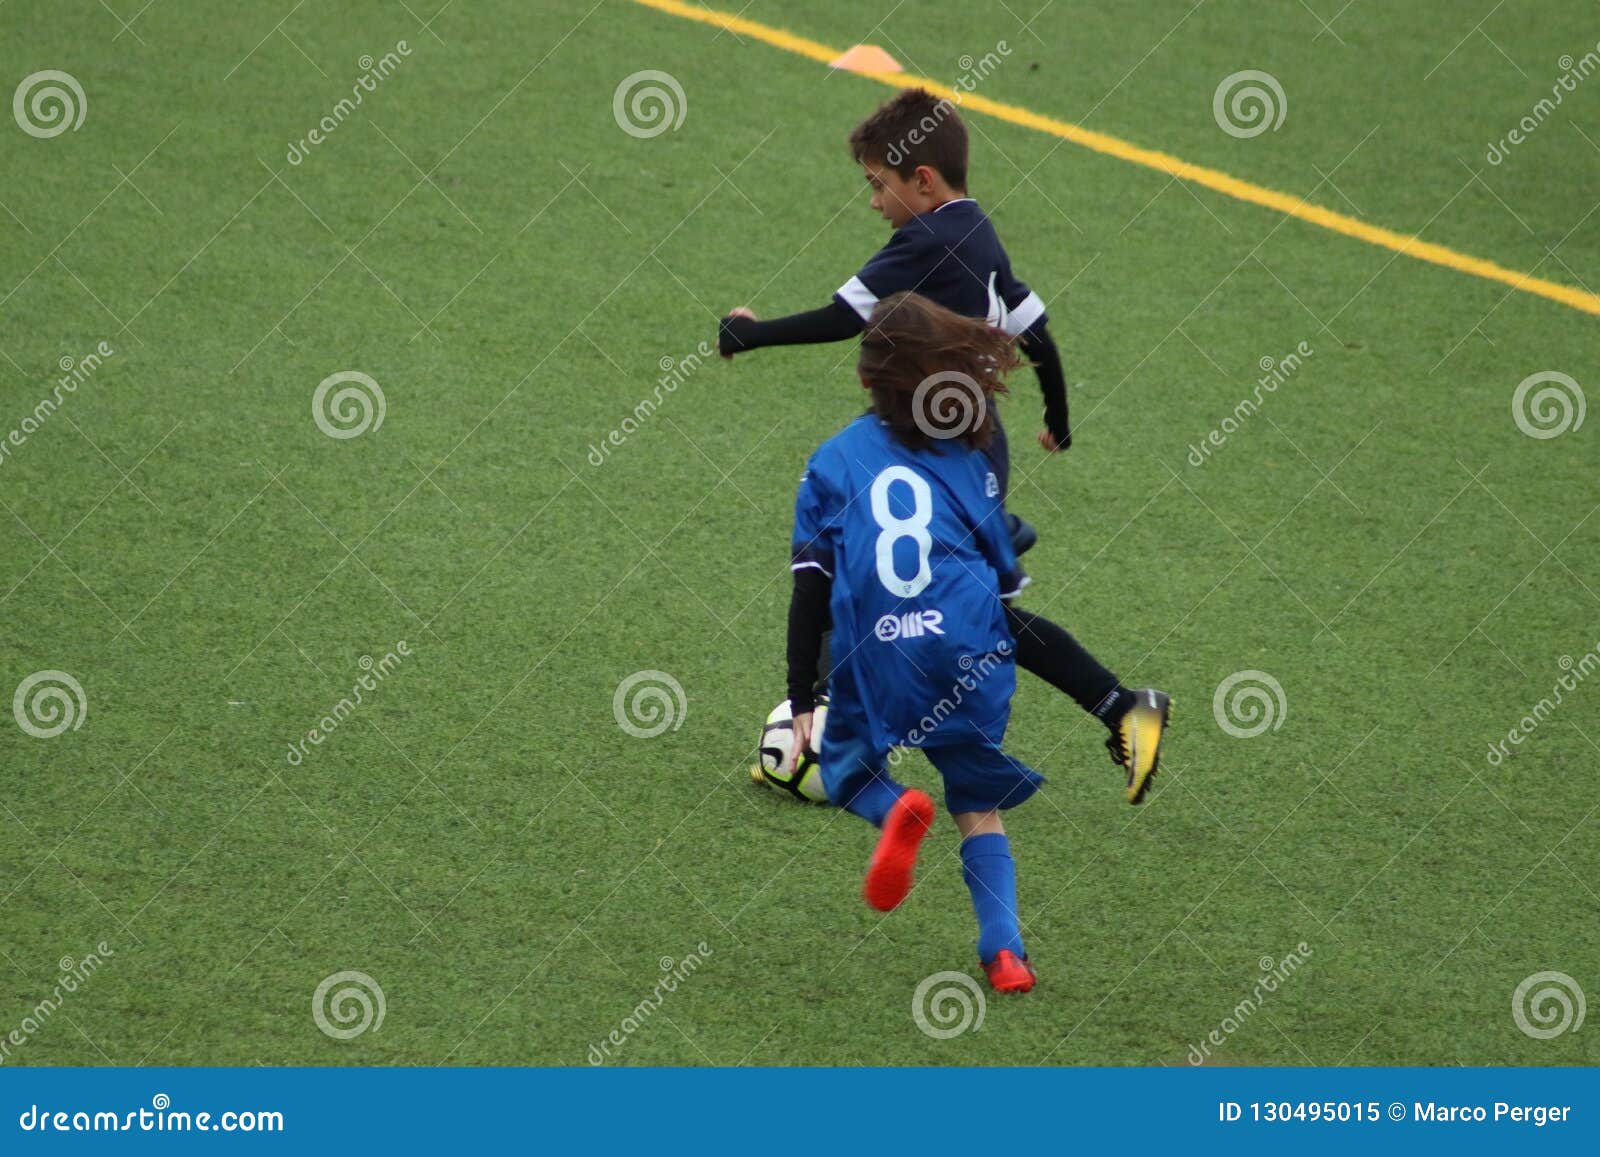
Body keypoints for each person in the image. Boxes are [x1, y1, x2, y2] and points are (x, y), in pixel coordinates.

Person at [731, 88, 1168, 799]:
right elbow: (1039, 333)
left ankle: (827, 726)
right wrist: (1058, 419)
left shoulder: (926, 240)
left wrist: (746, 334)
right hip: (973, 452)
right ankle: (1111, 696)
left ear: (923, 182)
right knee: (930, 595)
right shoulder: (979, 231)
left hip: (942, 460)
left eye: (879, 185)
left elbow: (842, 319)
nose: (874, 203)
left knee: (885, 578)